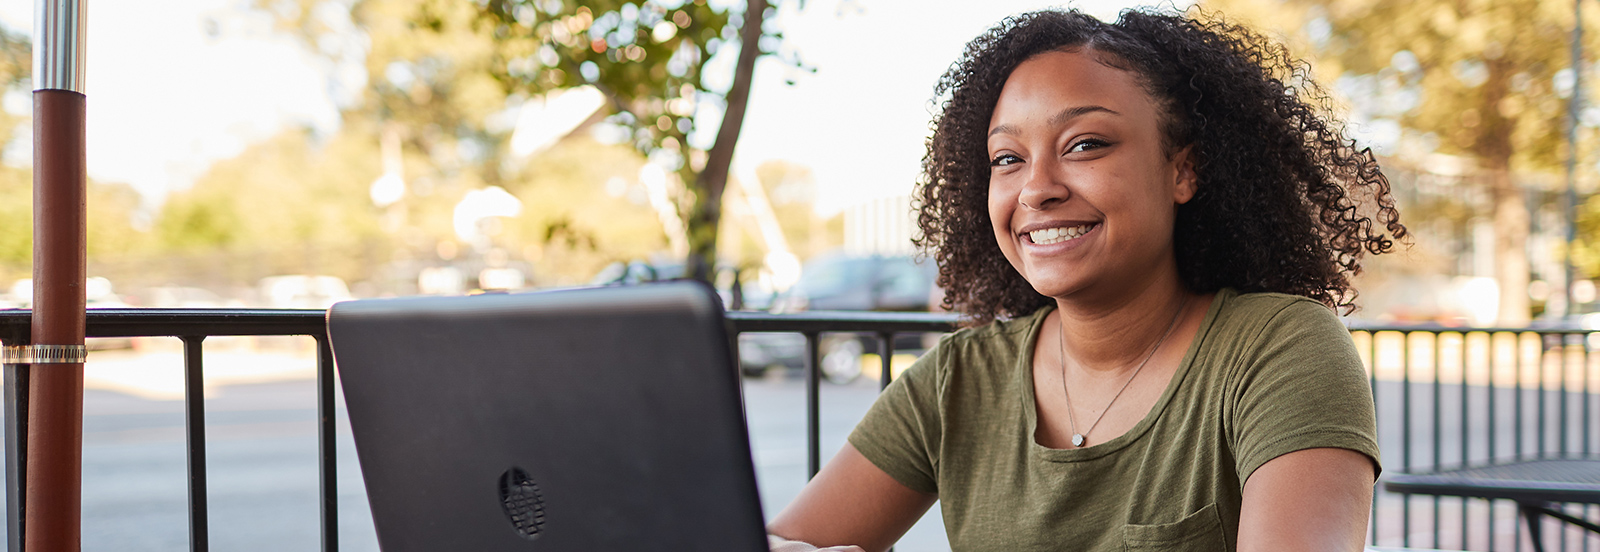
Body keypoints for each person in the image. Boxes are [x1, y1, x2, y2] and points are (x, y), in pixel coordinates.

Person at [765, 7, 1407, 552]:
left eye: (1086, 144)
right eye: (1008, 158)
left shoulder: (1278, 348)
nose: (1037, 189)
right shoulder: (958, 380)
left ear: (1183, 171)